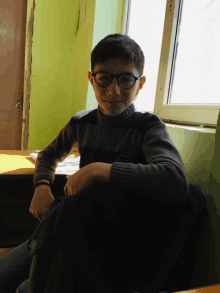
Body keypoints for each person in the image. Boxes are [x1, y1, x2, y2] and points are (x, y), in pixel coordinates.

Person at [0, 33, 190, 293]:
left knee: (27, 288)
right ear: (92, 79)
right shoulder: (82, 122)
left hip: (108, 244)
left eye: (126, 79)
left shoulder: (147, 127)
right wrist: (42, 185)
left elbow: (175, 179)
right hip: (66, 227)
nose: (114, 91)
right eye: (104, 79)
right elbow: (48, 154)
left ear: (141, 84)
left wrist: (102, 171)